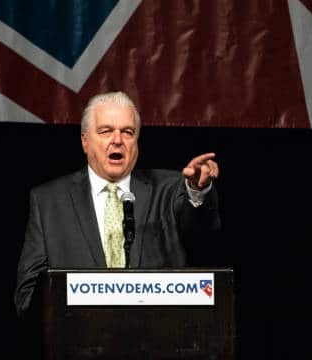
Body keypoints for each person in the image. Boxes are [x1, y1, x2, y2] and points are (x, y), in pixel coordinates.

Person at [14, 91, 221, 316]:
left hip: (158, 341)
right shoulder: (49, 201)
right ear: (85, 141)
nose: (117, 140)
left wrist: (198, 191)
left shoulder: (170, 190)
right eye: (105, 131)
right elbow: (26, 296)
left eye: (127, 132)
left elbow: (203, 234)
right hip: (78, 341)